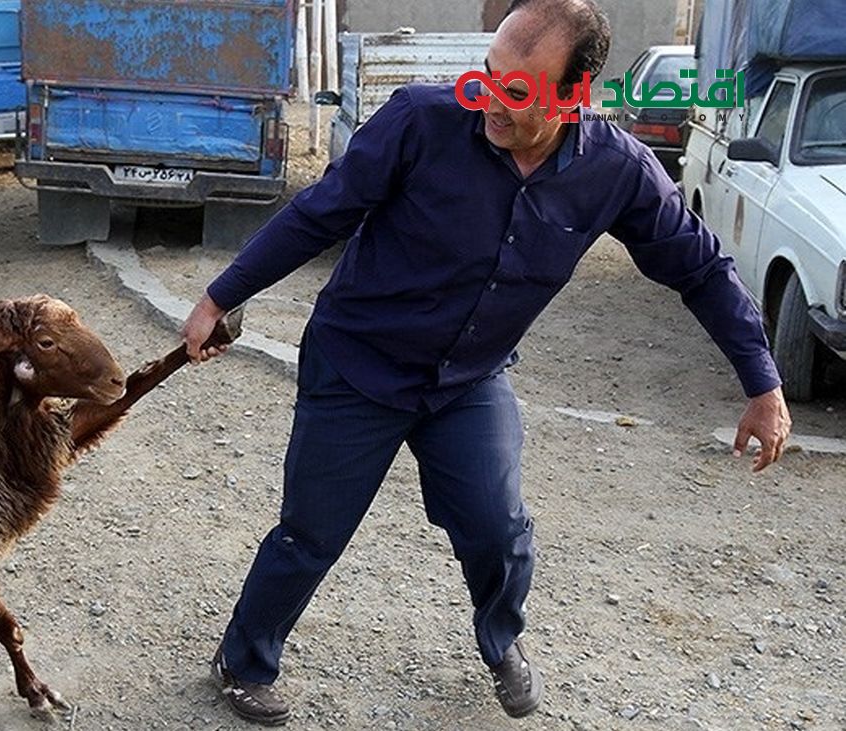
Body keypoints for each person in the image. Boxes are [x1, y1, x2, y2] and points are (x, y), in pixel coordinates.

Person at [180, 0, 793, 724]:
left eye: (517, 89)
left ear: (575, 94)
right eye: (487, 76)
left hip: (468, 380)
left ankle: (501, 640)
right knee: (311, 532)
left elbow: (702, 268)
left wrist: (763, 382)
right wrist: (219, 297)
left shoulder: (616, 171)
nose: (491, 102)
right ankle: (242, 662)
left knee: (498, 528)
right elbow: (320, 212)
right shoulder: (421, 121)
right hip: (358, 364)